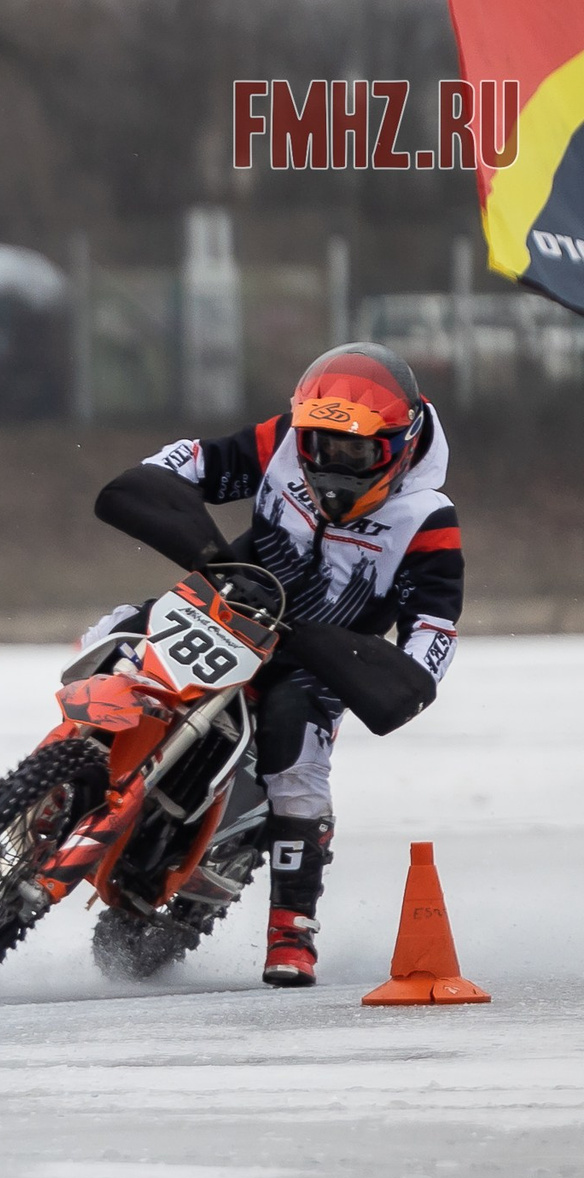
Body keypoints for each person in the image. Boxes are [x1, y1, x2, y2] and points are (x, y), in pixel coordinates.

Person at [101, 341, 462, 986]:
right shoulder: (283, 442)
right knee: (113, 635)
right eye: (320, 445)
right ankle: (70, 775)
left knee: (297, 757)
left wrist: (404, 674)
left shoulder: (427, 519)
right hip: (230, 605)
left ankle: (291, 930)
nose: (331, 465)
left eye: (355, 454)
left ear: (399, 446)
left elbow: (433, 629)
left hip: (317, 657)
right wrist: (185, 516)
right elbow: (189, 462)